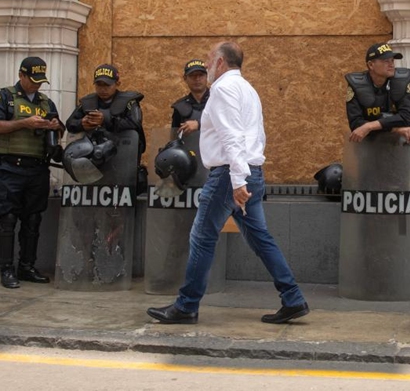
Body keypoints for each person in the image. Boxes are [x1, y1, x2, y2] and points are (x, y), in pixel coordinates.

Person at [147, 41, 309, 325]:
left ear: (221, 62)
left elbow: (232, 137)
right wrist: (246, 175)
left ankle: (186, 306)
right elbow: (255, 135)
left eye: (210, 60)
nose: (207, 66)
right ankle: (293, 298)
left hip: (229, 176)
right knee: (260, 238)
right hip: (251, 171)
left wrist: (236, 180)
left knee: (202, 237)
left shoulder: (221, 89)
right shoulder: (248, 89)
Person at [0, 57, 64, 288]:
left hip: (37, 168)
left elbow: (59, 131)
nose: (37, 85)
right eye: (33, 80)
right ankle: (6, 269)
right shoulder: (6, 97)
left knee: (33, 220)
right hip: (9, 167)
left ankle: (27, 266)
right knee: (7, 220)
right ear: (21, 75)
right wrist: (24, 123)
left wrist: (55, 126)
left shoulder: (46, 103)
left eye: (40, 81)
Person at [65, 64, 146, 157]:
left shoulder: (129, 101)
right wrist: (82, 124)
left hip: (122, 152)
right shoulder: (88, 102)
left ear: (117, 84)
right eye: (99, 85)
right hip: (93, 154)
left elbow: (135, 123)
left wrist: (106, 120)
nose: (103, 89)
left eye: (107, 85)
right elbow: (70, 123)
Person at [345, 42, 410, 143]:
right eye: (385, 61)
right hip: (367, 146)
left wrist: (370, 126)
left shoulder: (402, 82)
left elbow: (407, 117)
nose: (391, 64)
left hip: (398, 148)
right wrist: (395, 129)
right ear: (371, 65)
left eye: (392, 60)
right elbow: (356, 124)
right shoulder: (357, 85)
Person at [171, 59, 210, 135]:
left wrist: (198, 124)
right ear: (185, 78)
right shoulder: (180, 107)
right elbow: (175, 138)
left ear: (207, 77)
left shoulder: (218, 101)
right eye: (192, 75)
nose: (197, 79)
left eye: (201, 75)